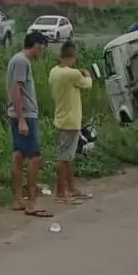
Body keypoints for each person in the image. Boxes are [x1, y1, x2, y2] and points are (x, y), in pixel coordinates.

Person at [6, 31, 50, 218]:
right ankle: (31, 202)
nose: (43, 52)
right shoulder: (22, 61)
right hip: (25, 115)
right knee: (34, 156)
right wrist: (22, 119)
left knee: (18, 155)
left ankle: (18, 199)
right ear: (37, 46)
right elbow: (16, 89)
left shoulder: (17, 60)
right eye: (43, 48)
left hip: (18, 114)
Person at [48, 41, 93, 204]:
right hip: (69, 121)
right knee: (64, 158)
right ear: (73, 57)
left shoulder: (54, 71)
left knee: (69, 157)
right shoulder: (72, 74)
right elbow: (87, 84)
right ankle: (61, 193)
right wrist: (87, 74)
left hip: (62, 118)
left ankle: (71, 189)